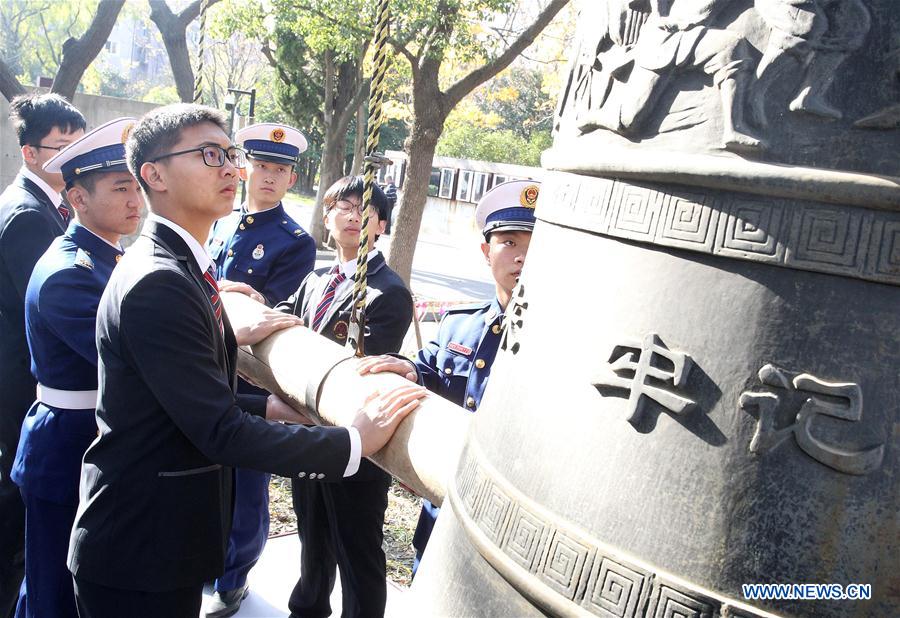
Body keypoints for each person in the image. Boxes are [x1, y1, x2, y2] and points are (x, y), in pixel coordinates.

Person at [66, 104, 426, 618]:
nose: (232, 169)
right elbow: (218, 430)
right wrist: (352, 442)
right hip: (141, 545)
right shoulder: (160, 281)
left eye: (230, 155)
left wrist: (269, 410)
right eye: (210, 155)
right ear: (155, 175)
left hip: (158, 541)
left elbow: (182, 397)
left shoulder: (181, 266)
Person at [358, 179, 538, 574]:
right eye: (509, 242)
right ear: (486, 251)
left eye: (534, 245)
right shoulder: (461, 325)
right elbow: (430, 372)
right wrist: (409, 370)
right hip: (442, 513)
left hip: (510, 534)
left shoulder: (560, 343)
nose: (522, 257)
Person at [10, 117, 142, 618]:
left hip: (86, 438)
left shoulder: (107, 256)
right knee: (53, 589)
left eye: (135, 186)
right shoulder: (70, 272)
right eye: (119, 188)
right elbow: (130, 361)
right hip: (65, 445)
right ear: (78, 199)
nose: (134, 200)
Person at [277, 175, 413, 618]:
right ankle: (308, 608)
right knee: (311, 537)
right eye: (345, 206)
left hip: (359, 441)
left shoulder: (388, 292)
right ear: (328, 216)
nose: (355, 215)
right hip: (309, 435)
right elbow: (286, 318)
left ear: (383, 224)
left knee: (357, 552)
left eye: (367, 208)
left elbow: (362, 369)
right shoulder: (315, 280)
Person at [204, 122, 317, 618]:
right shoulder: (222, 223)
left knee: (247, 477)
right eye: (262, 166)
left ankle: (232, 576)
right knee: (208, 470)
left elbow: (277, 312)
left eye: (280, 170)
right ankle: (206, 563)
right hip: (207, 363)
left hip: (249, 371)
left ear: (292, 180)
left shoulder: (294, 242)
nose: (269, 177)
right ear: (245, 167)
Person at [0, 93, 85, 616]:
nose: (73, 160)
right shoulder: (28, 217)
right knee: (18, 532)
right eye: (62, 149)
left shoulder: (43, 206)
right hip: (21, 391)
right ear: (31, 154)